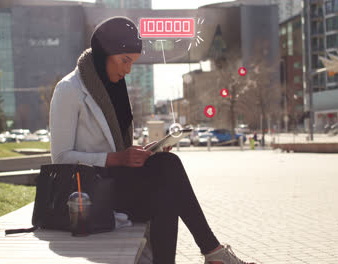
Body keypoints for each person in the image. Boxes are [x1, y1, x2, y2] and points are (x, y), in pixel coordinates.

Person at [50, 16, 255, 264]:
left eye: (132, 63)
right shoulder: (68, 90)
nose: (128, 70)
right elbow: (60, 159)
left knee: (166, 173)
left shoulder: (114, 89)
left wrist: (140, 153)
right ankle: (213, 252)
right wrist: (117, 158)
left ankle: (209, 253)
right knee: (167, 175)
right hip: (87, 197)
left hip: (115, 185)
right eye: (125, 61)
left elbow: (118, 149)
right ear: (105, 53)